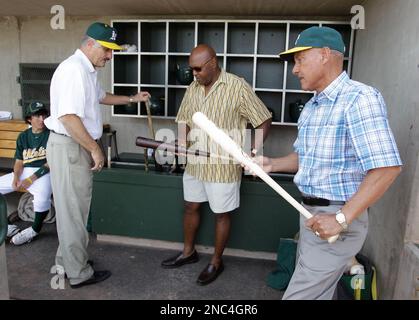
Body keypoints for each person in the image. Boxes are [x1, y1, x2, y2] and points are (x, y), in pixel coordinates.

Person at [251, 26, 402, 299]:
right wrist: (271, 164)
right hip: (311, 216)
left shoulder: (359, 99)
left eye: (300, 60)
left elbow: (387, 167)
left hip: (338, 219)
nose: (295, 70)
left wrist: (342, 219)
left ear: (324, 54)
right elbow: (306, 158)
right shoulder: (312, 106)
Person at [45, 22, 150, 289]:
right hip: (71, 146)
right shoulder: (73, 71)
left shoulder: (86, 70)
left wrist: (132, 99)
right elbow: (68, 117)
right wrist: (94, 148)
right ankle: (79, 273)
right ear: (90, 43)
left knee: (73, 213)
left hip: (73, 145)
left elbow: (101, 98)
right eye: (106, 49)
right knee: (73, 215)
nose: (110, 56)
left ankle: (66, 264)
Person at [161, 44, 272, 285]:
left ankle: (216, 262)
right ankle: (188, 252)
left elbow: (264, 120)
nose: (194, 74)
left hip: (224, 167)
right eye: (191, 69)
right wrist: (181, 141)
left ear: (213, 63)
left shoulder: (237, 86)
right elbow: (183, 119)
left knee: (221, 214)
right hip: (196, 163)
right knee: (191, 206)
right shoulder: (193, 87)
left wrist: (252, 152)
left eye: (198, 68)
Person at [2, 102, 52, 245]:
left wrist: (31, 179)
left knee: (42, 197)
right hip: (24, 171)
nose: (42, 119)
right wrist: (16, 177)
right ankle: (5, 226)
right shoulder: (23, 136)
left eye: (43, 115)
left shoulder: (51, 134)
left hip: (44, 173)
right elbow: (19, 162)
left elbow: (51, 163)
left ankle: (34, 230)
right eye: (37, 115)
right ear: (29, 118)